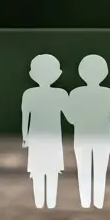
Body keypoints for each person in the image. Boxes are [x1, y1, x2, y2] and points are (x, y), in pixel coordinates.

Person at [65, 54, 110, 209]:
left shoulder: (76, 94)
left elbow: (72, 120)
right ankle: (97, 202)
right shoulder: (109, 94)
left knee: (84, 170)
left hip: (83, 139)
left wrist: (65, 108)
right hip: (102, 139)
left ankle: (86, 202)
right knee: (100, 172)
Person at [21, 54, 68, 209]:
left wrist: (25, 136)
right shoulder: (60, 94)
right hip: (50, 139)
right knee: (48, 170)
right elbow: (70, 117)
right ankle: (49, 202)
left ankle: (41, 202)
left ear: (32, 74)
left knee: (40, 170)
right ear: (58, 74)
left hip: (38, 139)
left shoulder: (29, 94)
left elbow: (25, 119)